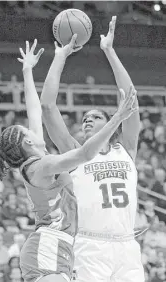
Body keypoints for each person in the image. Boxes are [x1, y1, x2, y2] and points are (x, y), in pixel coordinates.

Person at [0, 39, 137, 282]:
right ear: (28, 142)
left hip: (62, 247)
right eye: (28, 130)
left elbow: (35, 110)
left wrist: (28, 70)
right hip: (50, 245)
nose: (32, 128)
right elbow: (83, 154)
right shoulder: (44, 165)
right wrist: (117, 118)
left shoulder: (39, 159)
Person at [41, 16, 145, 282]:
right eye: (85, 117)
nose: (87, 119)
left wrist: (109, 51)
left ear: (112, 122)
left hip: (127, 247)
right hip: (89, 246)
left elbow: (130, 97)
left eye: (96, 116)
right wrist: (60, 56)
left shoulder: (126, 149)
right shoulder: (76, 153)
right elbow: (48, 107)